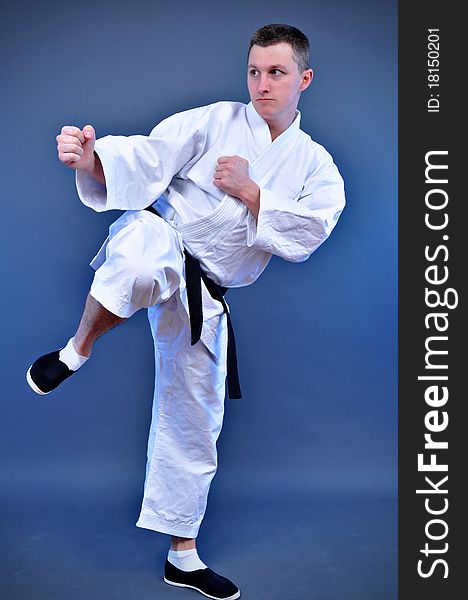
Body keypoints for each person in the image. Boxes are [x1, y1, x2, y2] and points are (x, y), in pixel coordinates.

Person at [26, 24, 345, 600]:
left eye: (276, 72)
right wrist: (92, 158)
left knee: (197, 418)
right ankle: (75, 351)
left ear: (305, 78)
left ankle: (183, 556)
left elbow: (311, 231)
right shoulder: (215, 121)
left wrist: (251, 192)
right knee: (141, 261)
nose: (262, 84)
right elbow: (148, 158)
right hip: (162, 237)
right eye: (254, 70)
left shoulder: (316, 166)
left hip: (211, 291)